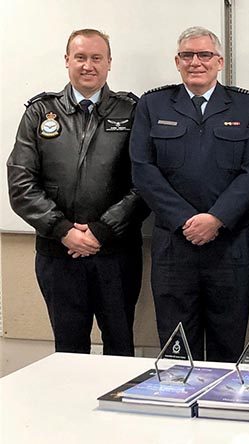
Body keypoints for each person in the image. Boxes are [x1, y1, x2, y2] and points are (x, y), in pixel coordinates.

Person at [130, 26, 249, 362]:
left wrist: (216, 219)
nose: (196, 62)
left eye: (204, 54)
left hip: (230, 246)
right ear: (177, 62)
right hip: (174, 245)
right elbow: (142, 170)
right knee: (178, 349)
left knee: (228, 344)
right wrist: (186, 220)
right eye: (187, 55)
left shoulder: (247, 107)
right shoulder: (153, 105)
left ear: (219, 61)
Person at [7, 29, 148, 355]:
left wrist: (101, 231)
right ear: (67, 60)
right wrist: (63, 230)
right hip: (59, 255)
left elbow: (145, 183)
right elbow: (20, 182)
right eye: (81, 57)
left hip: (117, 254)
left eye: (96, 58)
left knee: (120, 350)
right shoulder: (40, 113)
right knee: (68, 354)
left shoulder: (132, 112)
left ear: (109, 63)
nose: (88, 65)